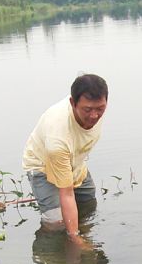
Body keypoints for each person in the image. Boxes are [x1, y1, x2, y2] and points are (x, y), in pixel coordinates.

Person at [22, 74, 108, 248]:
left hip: (73, 160)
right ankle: (51, 255)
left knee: (88, 201)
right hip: (43, 165)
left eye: (100, 108)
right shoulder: (58, 136)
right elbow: (66, 193)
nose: (94, 116)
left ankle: (79, 229)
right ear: (72, 103)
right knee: (56, 222)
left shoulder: (93, 110)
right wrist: (76, 239)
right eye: (87, 110)